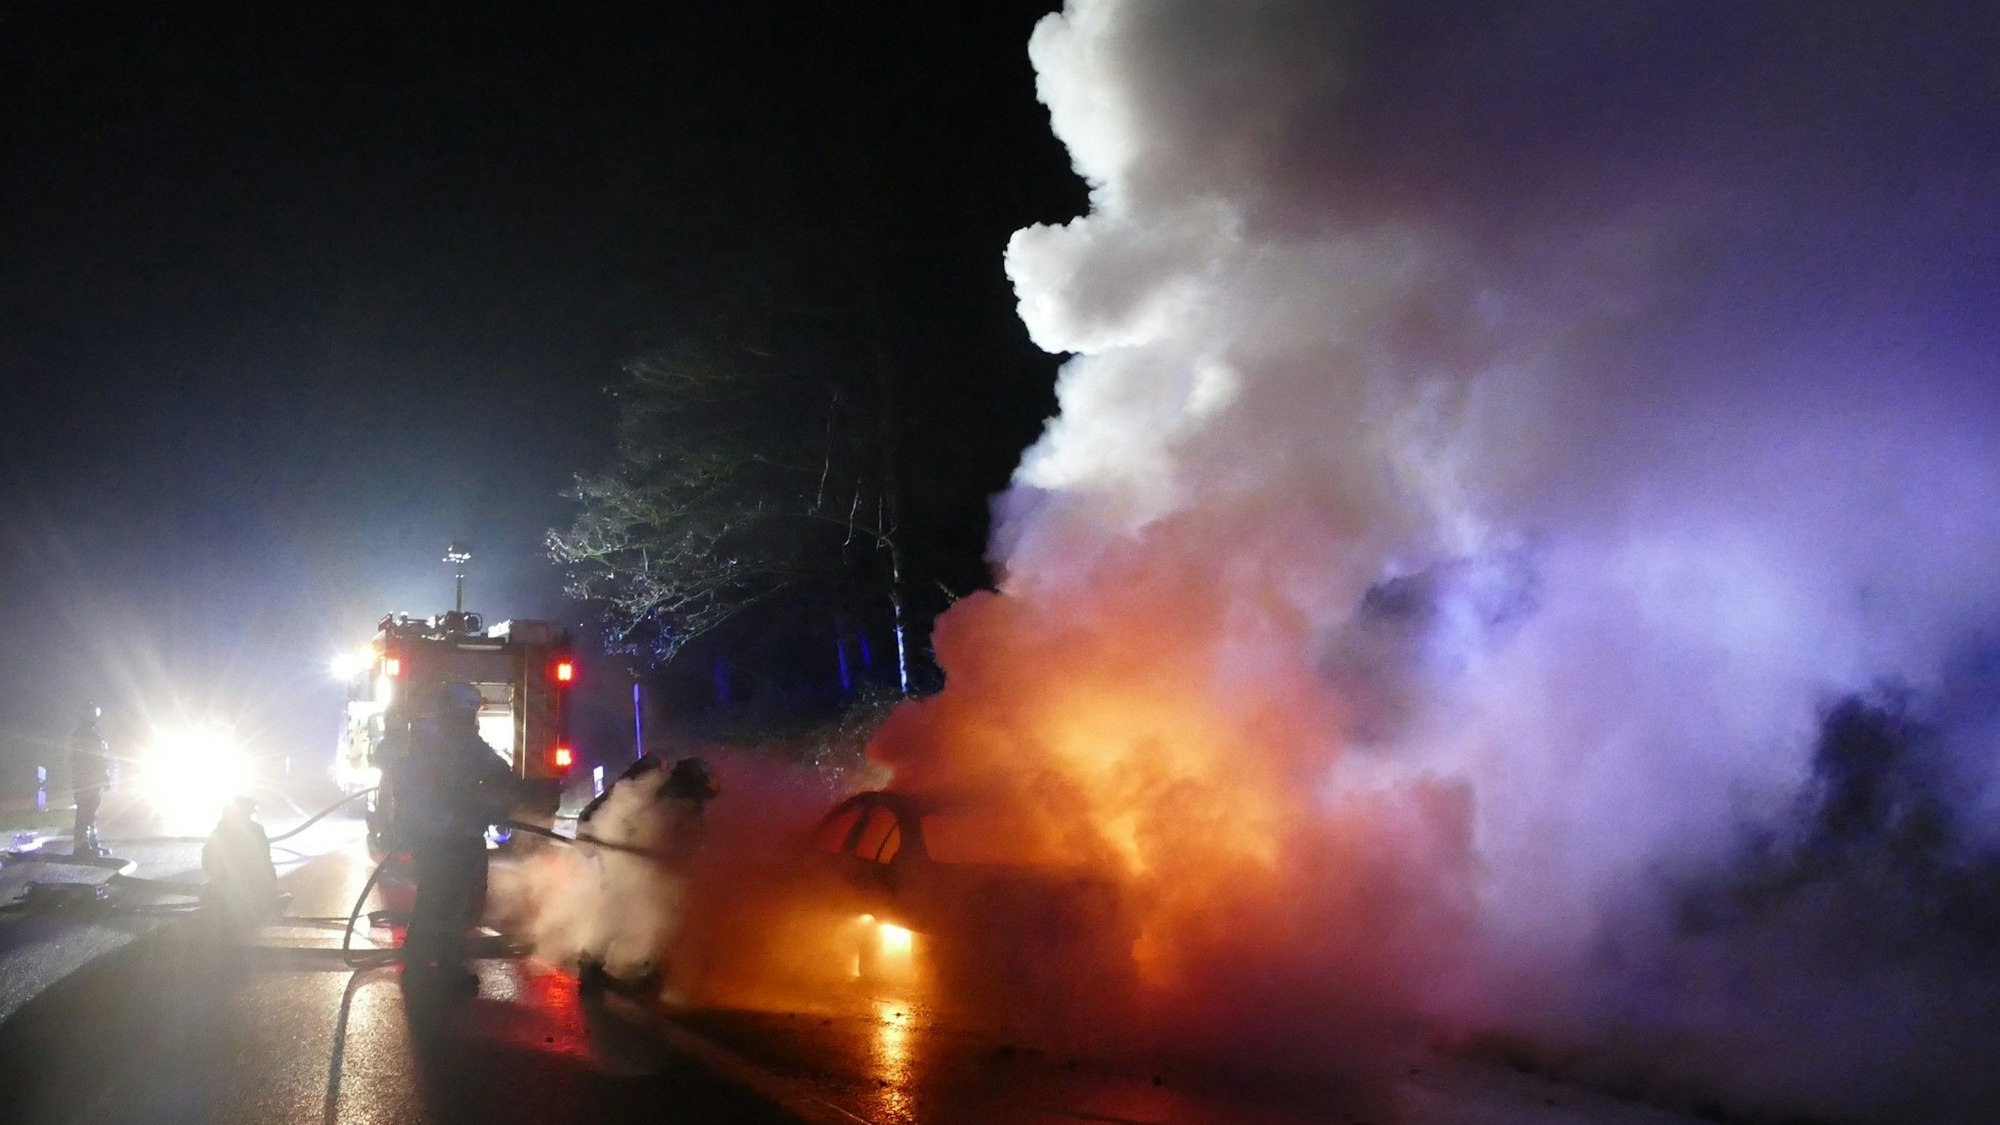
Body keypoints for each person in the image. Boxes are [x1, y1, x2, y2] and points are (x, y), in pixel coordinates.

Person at [398, 682, 516, 997]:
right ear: (466, 712)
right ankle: (444, 970)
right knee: (455, 904)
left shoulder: (433, 741)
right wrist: (497, 801)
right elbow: (498, 771)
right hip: (454, 839)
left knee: (434, 900)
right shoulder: (462, 743)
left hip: (436, 837)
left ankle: (419, 965)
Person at [575, 754, 719, 993]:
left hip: (639, 856)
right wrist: (593, 837)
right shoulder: (651, 791)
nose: (699, 802)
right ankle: (591, 965)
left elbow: (687, 839)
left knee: (664, 908)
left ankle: (650, 968)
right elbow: (623, 823)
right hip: (619, 854)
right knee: (620, 904)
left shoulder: (678, 798)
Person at [202, 796, 282, 931]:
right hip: (251, 890)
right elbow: (265, 862)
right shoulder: (256, 832)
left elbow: (207, 862)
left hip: (227, 890)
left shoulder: (217, 834)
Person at [69, 702, 112, 857]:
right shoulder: (84, 736)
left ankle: (91, 843)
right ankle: (81, 846)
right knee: (85, 812)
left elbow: (101, 759)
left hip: (92, 781)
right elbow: (91, 760)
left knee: (92, 813)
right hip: (86, 781)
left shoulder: (90, 735)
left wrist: (104, 777)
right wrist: (103, 776)